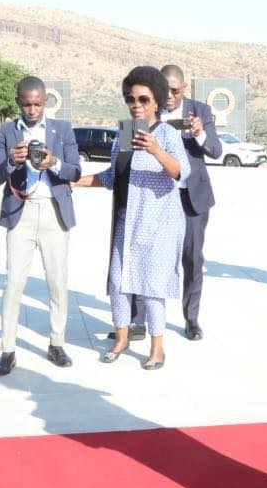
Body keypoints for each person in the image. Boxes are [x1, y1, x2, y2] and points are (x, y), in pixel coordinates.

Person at [76, 66, 190, 369]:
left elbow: (182, 173)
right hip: (127, 221)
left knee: (152, 287)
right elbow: (112, 176)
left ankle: (157, 348)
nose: (136, 104)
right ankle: (121, 338)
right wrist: (74, 181)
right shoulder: (125, 133)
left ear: (157, 101)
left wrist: (156, 150)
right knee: (118, 283)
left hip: (158, 224)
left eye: (143, 99)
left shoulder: (168, 134)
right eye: (131, 98)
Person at [0, 76, 81, 375]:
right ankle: (7, 350)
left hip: (54, 213)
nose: (32, 110)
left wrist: (54, 163)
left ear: (45, 102)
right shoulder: (6, 131)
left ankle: (57, 343)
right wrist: (12, 161)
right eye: (27, 104)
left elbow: (75, 171)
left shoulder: (62, 129)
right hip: (21, 213)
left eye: (38, 104)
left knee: (57, 282)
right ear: (18, 101)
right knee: (14, 283)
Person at [160, 64, 221, 341]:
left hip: (192, 198)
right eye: (164, 90)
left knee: (193, 259)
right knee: (149, 254)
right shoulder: (149, 110)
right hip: (159, 197)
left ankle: (191, 318)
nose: (169, 96)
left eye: (174, 90)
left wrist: (199, 133)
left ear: (184, 88)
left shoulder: (201, 111)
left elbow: (216, 150)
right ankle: (138, 318)